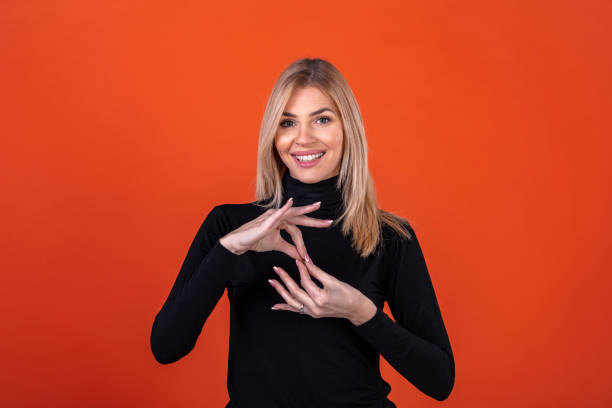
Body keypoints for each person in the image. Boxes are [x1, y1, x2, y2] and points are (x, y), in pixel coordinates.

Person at [150, 58, 455, 407]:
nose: (303, 138)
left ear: (347, 129)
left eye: (322, 119)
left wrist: (362, 313)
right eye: (288, 122)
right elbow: (166, 347)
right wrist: (229, 250)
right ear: (273, 135)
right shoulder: (229, 227)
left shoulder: (389, 238)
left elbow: (440, 380)